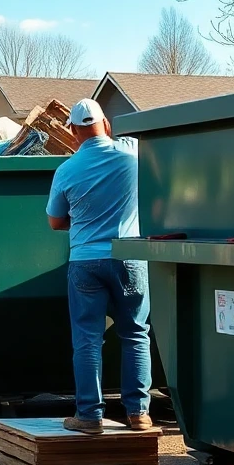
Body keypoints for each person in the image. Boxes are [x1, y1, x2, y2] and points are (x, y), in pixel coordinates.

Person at [46, 98, 151, 434]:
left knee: (88, 340)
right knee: (135, 334)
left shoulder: (66, 170)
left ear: (74, 132)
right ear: (106, 124)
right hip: (129, 258)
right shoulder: (133, 155)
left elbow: (54, 222)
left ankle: (89, 416)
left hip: (85, 262)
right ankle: (139, 415)